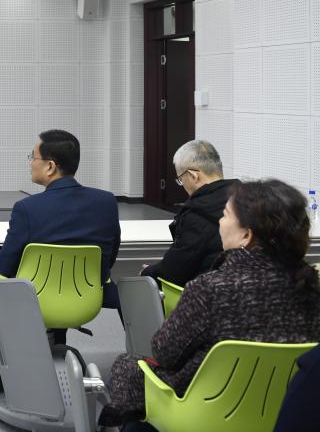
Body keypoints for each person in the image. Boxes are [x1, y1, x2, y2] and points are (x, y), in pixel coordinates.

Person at [101, 179, 320, 427]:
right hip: (285, 409)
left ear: (246, 235)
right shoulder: (311, 287)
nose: (219, 222)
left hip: (205, 412)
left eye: (225, 215)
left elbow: (164, 353)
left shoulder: (211, 289)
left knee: (128, 368)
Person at [0, 129, 120, 378]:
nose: (30, 163)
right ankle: (57, 344)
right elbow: (109, 258)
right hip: (87, 300)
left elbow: (3, 268)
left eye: (33, 157)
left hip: (35, 299)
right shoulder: (106, 202)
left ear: (50, 166)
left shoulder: (27, 208)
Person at [141, 139, 238, 287]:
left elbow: (174, 270)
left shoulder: (198, 213)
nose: (182, 185)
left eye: (181, 179)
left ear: (193, 176)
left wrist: (148, 272)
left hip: (206, 292)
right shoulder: (248, 199)